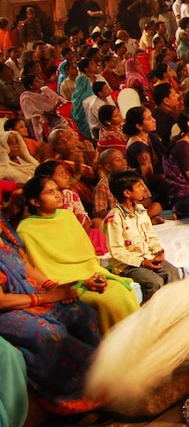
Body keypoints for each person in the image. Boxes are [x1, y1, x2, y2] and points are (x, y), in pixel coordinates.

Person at [0, 213, 102, 415]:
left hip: (29, 294)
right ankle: (76, 399)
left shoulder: (3, 230)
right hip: (6, 309)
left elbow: (25, 266)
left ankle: (102, 377)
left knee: (82, 313)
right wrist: (46, 298)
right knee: (49, 333)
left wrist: (54, 288)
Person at [18, 175, 139, 333]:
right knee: (107, 300)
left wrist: (93, 276)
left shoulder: (67, 216)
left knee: (122, 290)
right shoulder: (26, 228)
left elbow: (86, 252)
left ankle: (137, 341)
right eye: (49, 192)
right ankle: (115, 349)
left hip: (90, 272)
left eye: (57, 189)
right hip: (64, 283)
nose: (57, 194)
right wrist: (80, 282)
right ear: (35, 201)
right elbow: (42, 266)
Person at [102, 170, 178, 303]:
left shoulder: (141, 211)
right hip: (127, 265)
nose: (143, 188)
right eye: (139, 186)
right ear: (127, 193)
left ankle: (172, 309)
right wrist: (142, 262)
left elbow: (151, 235)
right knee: (154, 282)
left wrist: (158, 251)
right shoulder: (115, 218)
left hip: (147, 256)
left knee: (172, 273)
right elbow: (117, 251)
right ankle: (151, 317)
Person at [20, 73, 68, 142]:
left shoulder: (46, 89)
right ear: (30, 86)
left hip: (59, 113)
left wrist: (57, 108)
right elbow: (33, 114)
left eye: (39, 79)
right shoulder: (27, 98)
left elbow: (59, 99)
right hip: (46, 121)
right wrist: (48, 113)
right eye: (36, 81)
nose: (40, 81)